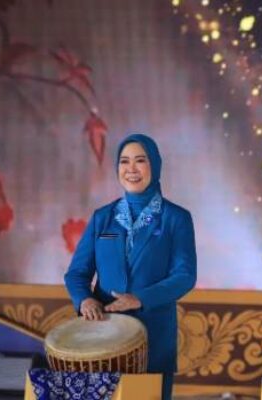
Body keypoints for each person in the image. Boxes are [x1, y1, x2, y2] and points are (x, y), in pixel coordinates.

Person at [64, 133, 197, 400]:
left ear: (155, 165)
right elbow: (77, 274)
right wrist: (85, 300)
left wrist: (139, 299)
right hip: (102, 337)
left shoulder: (176, 218)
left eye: (140, 160)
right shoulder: (103, 217)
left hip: (152, 339)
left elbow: (184, 276)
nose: (131, 169)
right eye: (124, 161)